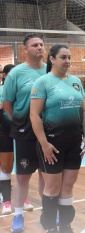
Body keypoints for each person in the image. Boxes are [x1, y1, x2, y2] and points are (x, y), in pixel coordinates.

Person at [30, 44, 85, 233]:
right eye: (63, 57)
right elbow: (34, 116)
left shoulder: (75, 82)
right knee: (53, 187)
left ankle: (65, 225)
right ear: (52, 59)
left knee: (68, 187)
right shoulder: (43, 83)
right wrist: (44, 143)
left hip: (74, 143)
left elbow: (84, 111)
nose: (68, 61)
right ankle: (49, 227)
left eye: (69, 57)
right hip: (52, 144)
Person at [2, 34, 45, 232]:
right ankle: (17, 215)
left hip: (49, 132)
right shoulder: (16, 73)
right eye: (34, 45)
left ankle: (49, 212)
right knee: (22, 176)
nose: (39, 47)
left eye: (42, 44)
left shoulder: (51, 70)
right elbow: (7, 104)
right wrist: (20, 121)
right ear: (25, 49)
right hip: (25, 133)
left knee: (48, 176)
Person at [0, 64, 15, 215]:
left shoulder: (21, 91)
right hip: (4, 131)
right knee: (4, 167)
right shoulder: (2, 90)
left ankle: (14, 198)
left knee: (9, 167)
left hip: (18, 132)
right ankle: (6, 199)